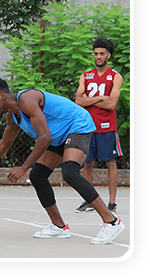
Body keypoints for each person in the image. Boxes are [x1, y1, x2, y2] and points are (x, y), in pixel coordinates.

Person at [0, 78, 125, 245]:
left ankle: (112, 222)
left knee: (70, 172)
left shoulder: (27, 99)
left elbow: (45, 137)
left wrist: (23, 167)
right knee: (38, 175)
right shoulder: (12, 117)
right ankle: (59, 226)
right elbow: (5, 143)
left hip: (76, 124)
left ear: (2, 96)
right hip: (59, 135)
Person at [74, 37, 123, 213]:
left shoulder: (115, 77)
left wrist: (90, 101)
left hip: (107, 126)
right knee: (87, 163)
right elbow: (78, 100)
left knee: (110, 163)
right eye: (96, 53)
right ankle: (89, 200)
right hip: (88, 126)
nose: (98, 56)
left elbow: (111, 105)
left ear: (108, 55)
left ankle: (111, 203)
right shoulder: (86, 75)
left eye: (102, 53)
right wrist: (101, 98)